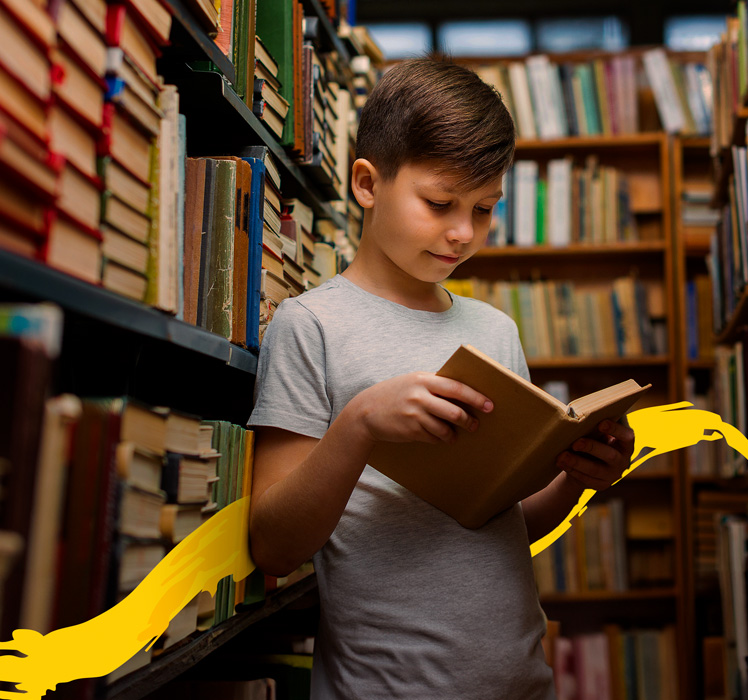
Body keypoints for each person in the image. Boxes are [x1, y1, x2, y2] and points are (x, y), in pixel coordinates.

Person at [247, 57, 635, 698]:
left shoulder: (494, 332)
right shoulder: (310, 324)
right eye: (439, 204)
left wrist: (575, 475)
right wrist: (362, 422)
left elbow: (499, 523)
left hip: (520, 682)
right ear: (367, 184)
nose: (462, 233)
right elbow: (275, 546)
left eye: (485, 210)